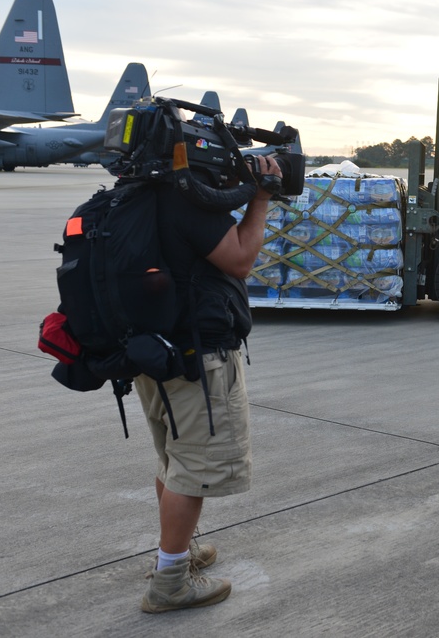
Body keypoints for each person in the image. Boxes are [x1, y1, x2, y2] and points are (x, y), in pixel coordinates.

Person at [137, 154, 282, 612]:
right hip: (197, 362)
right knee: (195, 472)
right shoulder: (188, 201)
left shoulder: (138, 194)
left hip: (152, 354)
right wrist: (260, 199)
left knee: (175, 461)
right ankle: (171, 582)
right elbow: (240, 260)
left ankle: (175, 551)